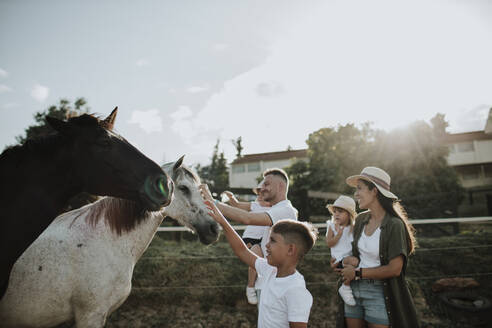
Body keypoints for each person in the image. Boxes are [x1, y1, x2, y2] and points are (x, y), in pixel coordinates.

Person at [201, 184, 318, 328]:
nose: (266, 245)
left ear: (290, 249)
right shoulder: (269, 270)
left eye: (273, 241)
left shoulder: (296, 290)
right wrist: (222, 221)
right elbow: (242, 250)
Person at [334, 167, 419, 328]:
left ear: (374, 191)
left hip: (379, 292)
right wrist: (344, 262)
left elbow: (395, 269)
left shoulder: (395, 225)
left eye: (359, 188)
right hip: (353, 289)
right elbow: (357, 256)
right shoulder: (360, 220)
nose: (355, 194)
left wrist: (357, 273)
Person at [213, 168, 298, 304]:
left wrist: (214, 203)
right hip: (264, 282)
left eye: (266, 184)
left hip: (276, 287)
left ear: (280, 186)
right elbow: (242, 250)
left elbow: (247, 218)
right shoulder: (275, 210)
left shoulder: (285, 210)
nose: (262, 188)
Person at [222, 184, 270, 304]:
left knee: (262, 262)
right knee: (254, 260)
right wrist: (232, 198)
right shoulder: (255, 205)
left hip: (263, 239)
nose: (259, 197)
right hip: (250, 237)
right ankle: (250, 287)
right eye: (258, 194)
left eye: (262, 195)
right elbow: (237, 205)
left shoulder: (275, 209)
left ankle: (260, 283)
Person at [325, 195, 358, 306]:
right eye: (335, 211)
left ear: (349, 215)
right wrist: (338, 235)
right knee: (354, 262)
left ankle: (348, 286)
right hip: (338, 260)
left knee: (355, 263)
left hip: (349, 259)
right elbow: (329, 243)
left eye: (340, 212)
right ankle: (345, 287)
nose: (336, 214)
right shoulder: (332, 226)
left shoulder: (353, 228)